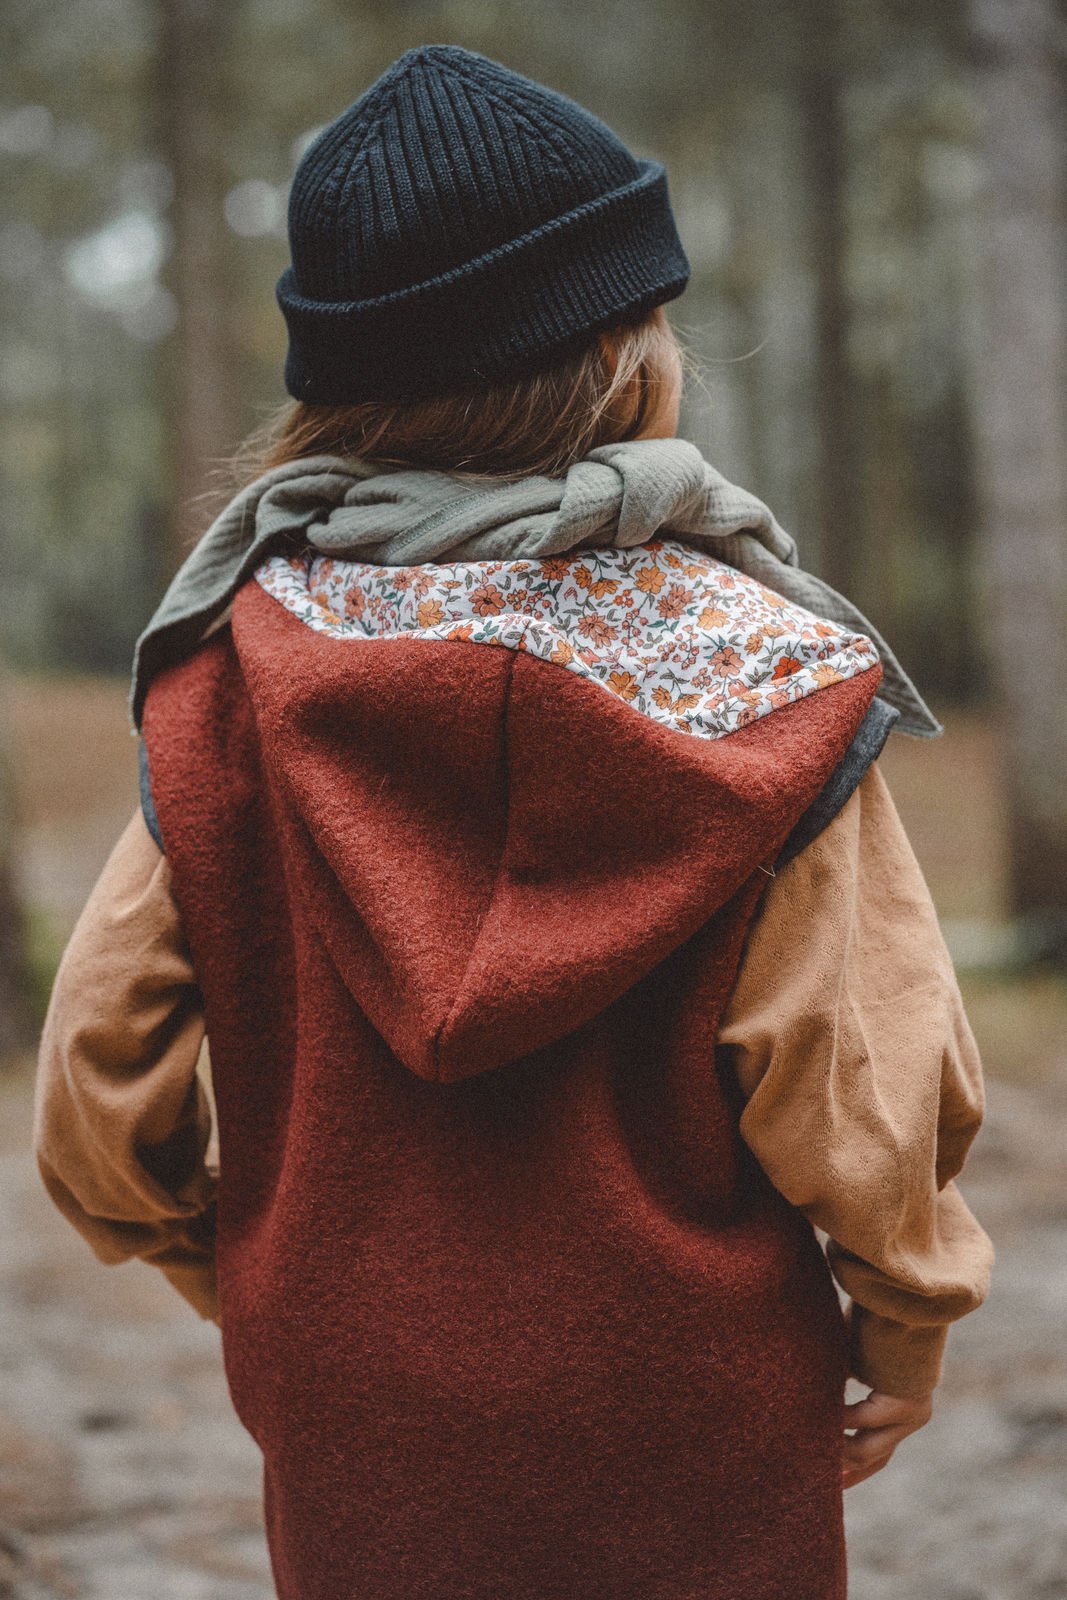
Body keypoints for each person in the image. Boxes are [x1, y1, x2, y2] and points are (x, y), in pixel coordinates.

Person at [34, 43, 993, 1600]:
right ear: (624, 354)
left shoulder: (227, 677)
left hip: (354, 1410)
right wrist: (905, 1321)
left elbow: (98, 1084)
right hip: (701, 1403)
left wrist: (246, 1271)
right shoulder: (766, 674)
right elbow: (860, 1083)